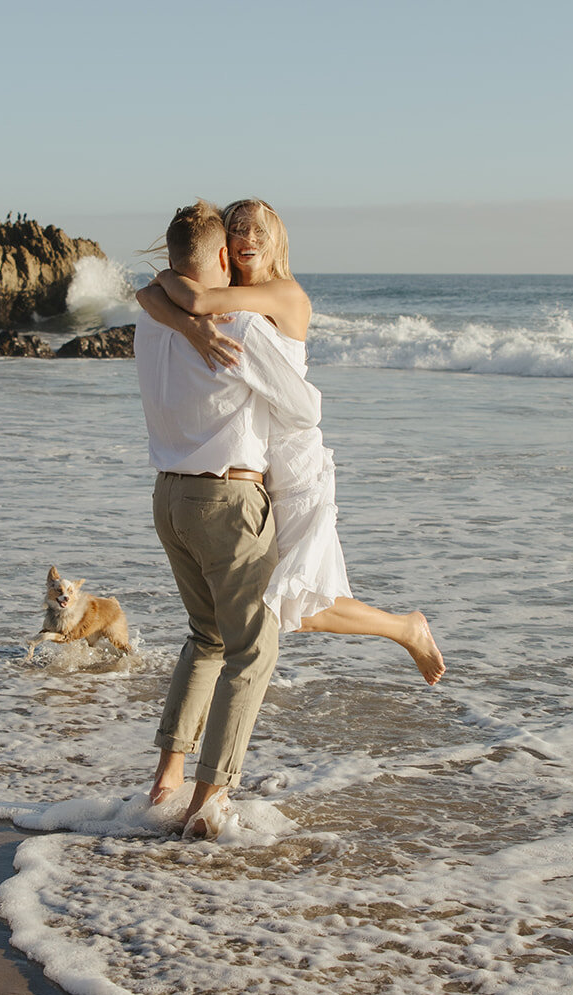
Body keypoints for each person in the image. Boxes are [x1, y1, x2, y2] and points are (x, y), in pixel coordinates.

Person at [139, 198, 445, 687]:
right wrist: (187, 323)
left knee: (288, 603)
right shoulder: (233, 298)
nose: (248, 238)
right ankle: (404, 628)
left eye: (259, 230)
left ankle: (406, 628)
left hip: (292, 453)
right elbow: (150, 293)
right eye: (237, 228)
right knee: (280, 604)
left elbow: (182, 296)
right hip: (255, 457)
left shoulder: (284, 294)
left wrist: (190, 318)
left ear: (278, 240)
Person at [133, 200, 323, 838]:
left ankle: (166, 777)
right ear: (220, 258)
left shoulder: (152, 325)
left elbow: (154, 296)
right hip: (227, 501)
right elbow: (299, 407)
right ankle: (207, 799)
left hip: (169, 499)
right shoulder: (239, 323)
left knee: (207, 636)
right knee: (252, 648)